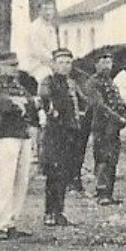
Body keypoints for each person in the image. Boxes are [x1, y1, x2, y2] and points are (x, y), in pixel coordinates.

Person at [0, 52, 39, 240]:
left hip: (22, 134)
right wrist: (23, 103)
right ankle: (0, 224)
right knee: (5, 179)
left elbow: (33, 104)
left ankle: (11, 222)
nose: (14, 69)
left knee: (21, 180)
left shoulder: (18, 85)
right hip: (4, 134)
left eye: (15, 65)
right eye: (9, 65)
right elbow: (4, 105)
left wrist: (25, 102)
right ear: (0, 66)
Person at [38, 48, 85, 228]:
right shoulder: (48, 82)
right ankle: (49, 213)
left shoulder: (72, 83)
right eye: (62, 62)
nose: (65, 66)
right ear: (54, 64)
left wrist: (79, 116)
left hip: (70, 133)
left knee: (65, 172)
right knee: (54, 173)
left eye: (68, 62)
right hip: (55, 133)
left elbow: (82, 101)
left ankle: (59, 212)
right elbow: (44, 99)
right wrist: (54, 113)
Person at [88, 51, 126, 206]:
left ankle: (109, 193)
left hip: (113, 127)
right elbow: (99, 105)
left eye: (109, 63)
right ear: (96, 65)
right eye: (103, 63)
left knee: (112, 158)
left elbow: (119, 101)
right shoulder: (93, 83)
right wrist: (117, 118)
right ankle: (102, 192)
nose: (106, 66)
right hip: (101, 126)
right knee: (103, 158)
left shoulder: (111, 82)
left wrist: (124, 115)